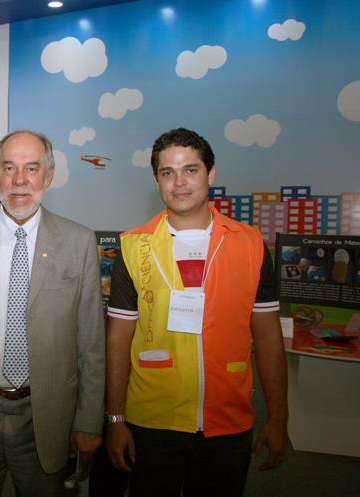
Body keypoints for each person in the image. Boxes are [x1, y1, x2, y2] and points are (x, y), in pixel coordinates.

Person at [105, 128, 287, 496]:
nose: (179, 183)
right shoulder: (132, 247)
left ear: (210, 174)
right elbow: (118, 338)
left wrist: (279, 417)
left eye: (191, 170)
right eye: (168, 172)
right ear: (156, 180)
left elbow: (269, 336)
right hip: (152, 419)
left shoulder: (250, 244)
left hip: (228, 419)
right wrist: (115, 418)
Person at [0, 130, 105, 496]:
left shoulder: (78, 242)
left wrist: (90, 419)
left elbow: (90, 342)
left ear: (49, 175)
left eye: (32, 168)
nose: (19, 180)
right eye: (9, 167)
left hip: (46, 414)